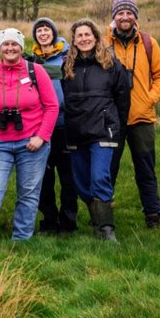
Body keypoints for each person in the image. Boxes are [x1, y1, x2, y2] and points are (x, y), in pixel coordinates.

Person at [0, 28, 60, 248]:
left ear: (21, 47)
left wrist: (41, 136)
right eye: (6, 45)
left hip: (31, 143)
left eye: (14, 45)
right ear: (0, 47)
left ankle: (21, 240)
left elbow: (52, 106)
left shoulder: (36, 71)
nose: (10, 48)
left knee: (28, 193)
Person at [62, 19, 132, 242]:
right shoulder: (67, 66)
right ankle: (95, 221)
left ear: (95, 36)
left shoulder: (110, 63)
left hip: (103, 131)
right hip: (76, 131)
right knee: (82, 183)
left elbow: (123, 97)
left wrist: (116, 126)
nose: (84, 39)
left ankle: (106, 230)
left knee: (99, 178)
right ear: (73, 40)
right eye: (79, 35)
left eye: (87, 34)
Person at [105, 0, 160, 228]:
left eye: (129, 13)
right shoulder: (103, 43)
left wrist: (149, 100)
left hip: (141, 118)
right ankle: (104, 218)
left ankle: (153, 214)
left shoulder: (148, 43)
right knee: (107, 169)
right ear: (114, 17)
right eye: (120, 13)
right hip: (110, 119)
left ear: (135, 16)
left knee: (145, 169)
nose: (124, 17)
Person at [29, 18, 76, 234]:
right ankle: (48, 220)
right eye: (39, 30)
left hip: (65, 126)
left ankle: (68, 221)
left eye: (47, 29)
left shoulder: (68, 57)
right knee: (44, 178)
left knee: (68, 177)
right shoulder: (31, 60)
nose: (43, 33)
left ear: (54, 33)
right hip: (40, 129)